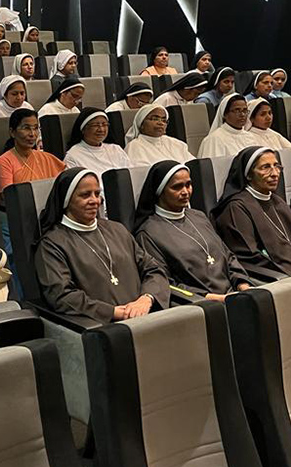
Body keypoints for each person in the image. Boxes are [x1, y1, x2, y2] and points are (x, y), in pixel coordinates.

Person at [34, 168, 171, 322]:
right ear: (66, 199)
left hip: (146, 315)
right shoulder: (52, 244)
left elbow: (153, 269)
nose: (94, 201)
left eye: (97, 194)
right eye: (85, 195)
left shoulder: (117, 229)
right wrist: (113, 312)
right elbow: (61, 296)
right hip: (104, 327)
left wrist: (146, 299)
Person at [134, 161, 250, 301]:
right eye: (177, 187)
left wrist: (243, 285)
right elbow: (165, 282)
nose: (185, 192)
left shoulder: (198, 216)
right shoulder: (148, 233)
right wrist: (215, 298)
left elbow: (227, 256)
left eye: (188, 185)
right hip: (200, 304)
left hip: (233, 295)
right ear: (159, 191)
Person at [213, 146, 291, 276]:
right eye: (265, 167)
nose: (275, 173)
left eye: (277, 166)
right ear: (248, 174)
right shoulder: (236, 208)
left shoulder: (278, 201)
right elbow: (248, 257)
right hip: (282, 276)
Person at [0, 109, 65, 193]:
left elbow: (64, 186)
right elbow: (9, 198)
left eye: (35, 128)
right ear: (12, 132)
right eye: (26, 128)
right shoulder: (4, 162)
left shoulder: (46, 158)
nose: (32, 134)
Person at [63, 108, 131, 174]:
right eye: (96, 125)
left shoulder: (116, 149)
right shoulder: (73, 155)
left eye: (104, 125)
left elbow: (130, 174)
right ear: (83, 129)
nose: (101, 129)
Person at [124, 104, 193, 166]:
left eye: (164, 120)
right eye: (155, 119)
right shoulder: (134, 147)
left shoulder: (177, 144)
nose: (161, 123)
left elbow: (193, 164)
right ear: (141, 124)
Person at [198, 93, 259, 158]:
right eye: (237, 110)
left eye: (245, 110)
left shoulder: (250, 137)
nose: (242, 114)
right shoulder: (214, 140)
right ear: (225, 114)